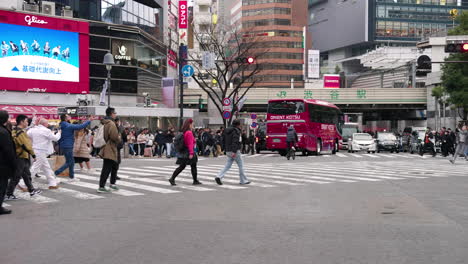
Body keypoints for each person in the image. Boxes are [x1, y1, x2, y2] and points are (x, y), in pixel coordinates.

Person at [6, 115, 41, 200]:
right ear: (21, 122)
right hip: (21, 156)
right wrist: (33, 155)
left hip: (18, 155)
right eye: (26, 121)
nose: (27, 123)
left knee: (26, 174)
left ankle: (31, 190)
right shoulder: (21, 132)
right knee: (17, 176)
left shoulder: (14, 130)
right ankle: (9, 194)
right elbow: (26, 145)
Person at [54, 114, 90, 181]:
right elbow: (80, 126)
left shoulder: (62, 125)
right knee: (69, 162)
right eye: (68, 116)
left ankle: (71, 177)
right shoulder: (67, 125)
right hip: (68, 145)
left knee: (71, 161)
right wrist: (88, 121)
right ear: (65, 118)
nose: (69, 117)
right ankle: (55, 173)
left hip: (64, 145)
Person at [27, 118, 61, 189]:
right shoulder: (46, 130)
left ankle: (52, 183)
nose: (48, 124)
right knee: (35, 167)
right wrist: (59, 133)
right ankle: (24, 183)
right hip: (41, 150)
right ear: (44, 124)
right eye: (47, 123)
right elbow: (55, 138)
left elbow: (27, 135)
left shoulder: (33, 129)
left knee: (46, 167)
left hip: (34, 149)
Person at [215, 120, 250, 185]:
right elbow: (235, 141)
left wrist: (224, 149)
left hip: (228, 150)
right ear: (238, 125)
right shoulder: (236, 131)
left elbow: (222, 140)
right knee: (241, 165)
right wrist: (234, 151)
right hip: (235, 151)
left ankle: (219, 176)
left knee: (227, 165)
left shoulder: (226, 130)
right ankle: (243, 180)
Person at [169, 119, 201, 186]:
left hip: (184, 151)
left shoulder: (185, 131)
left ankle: (195, 180)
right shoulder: (189, 132)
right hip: (188, 151)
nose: (193, 125)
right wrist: (191, 153)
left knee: (189, 165)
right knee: (185, 166)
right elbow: (190, 144)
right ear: (189, 124)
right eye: (192, 124)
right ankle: (172, 178)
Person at [97, 108, 122, 193]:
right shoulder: (111, 123)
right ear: (111, 113)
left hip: (107, 146)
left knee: (114, 166)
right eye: (115, 113)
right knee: (107, 167)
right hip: (110, 147)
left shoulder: (104, 122)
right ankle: (101, 186)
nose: (116, 114)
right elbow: (114, 136)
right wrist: (119, 139)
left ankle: (112, 184)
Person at [0, 110, 16, 215]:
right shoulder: (3, 132)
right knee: (2, 185)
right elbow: (8, 150)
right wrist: (14, 164)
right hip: (2, 164)